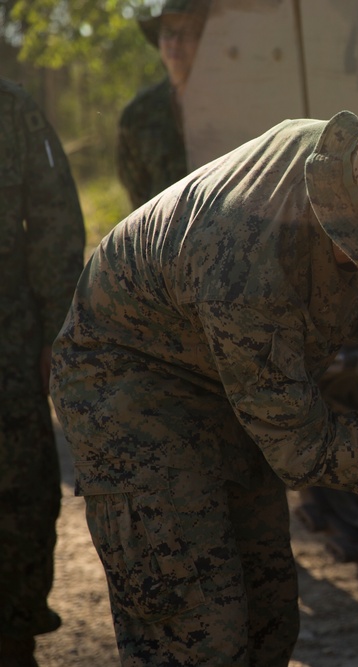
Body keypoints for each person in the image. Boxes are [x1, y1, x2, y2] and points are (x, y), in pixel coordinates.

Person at [49, 109, 358, 665]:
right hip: (127, 386)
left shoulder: (349, 170)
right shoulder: (249, 274)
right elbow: (308, 456)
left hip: (220, 364)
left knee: (267, 614)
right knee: (196, 632)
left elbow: (346, 294)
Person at [0, 78, 86, 667]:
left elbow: (54, 221)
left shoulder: (12, 111)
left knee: (21, 490)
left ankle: (13, 632)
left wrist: (57, 327)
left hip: (9, 333)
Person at [117, 0, 210, 209]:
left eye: (186, 33)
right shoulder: (138, 115)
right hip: (161, 236)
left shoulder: (232, 105)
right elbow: (137, 192)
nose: (175, 43)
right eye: (168, 33)